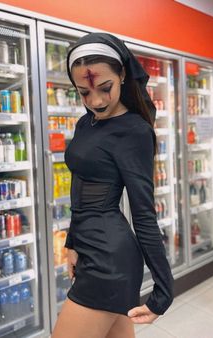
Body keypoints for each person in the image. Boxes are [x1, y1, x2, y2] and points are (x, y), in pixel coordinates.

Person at [52, 32, 174, 338]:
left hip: (109, 259)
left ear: (122, 74)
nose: (96, 101)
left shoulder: (134, 131)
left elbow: (143, 213)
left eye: (105, 88)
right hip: (90, 248)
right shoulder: (85, 123)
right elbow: (79, 188)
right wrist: (72, 243)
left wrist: (163, 290)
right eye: (83, 93)